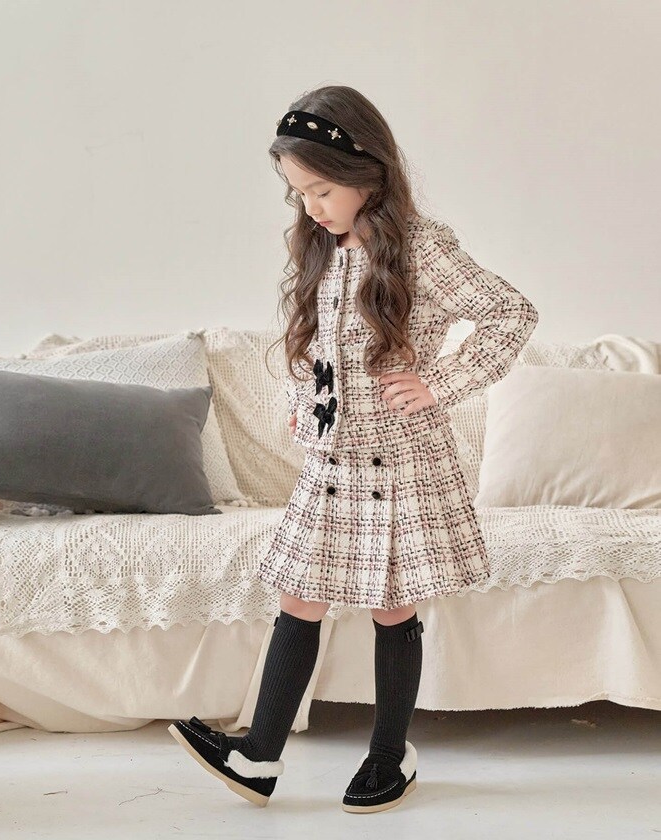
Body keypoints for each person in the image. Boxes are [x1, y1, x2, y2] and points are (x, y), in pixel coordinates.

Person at [169, 84, 540, 813]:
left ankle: (389, 756)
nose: (311, 206)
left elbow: (511, 313)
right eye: (298, 192)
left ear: (367, 172)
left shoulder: (422, 247)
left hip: (398, 461)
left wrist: (439, 382)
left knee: (391, 608)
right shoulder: (320, 246)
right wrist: (301, 405)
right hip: (332, 463)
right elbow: (316, 350)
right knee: (297, 598)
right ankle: (259, 756)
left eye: (322, 190)